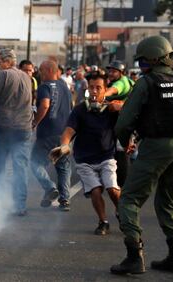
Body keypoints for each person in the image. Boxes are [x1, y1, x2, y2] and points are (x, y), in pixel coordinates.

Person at [110, 36, 173, 275]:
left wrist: (126, 144)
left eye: (143, 61)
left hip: (156, 148)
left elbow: (123, 123)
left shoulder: (147, 82)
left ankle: (134, 256)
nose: (142, 65)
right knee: (166, 200)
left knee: (129, 200)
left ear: (153, 59)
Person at [53, 71, 121, 235]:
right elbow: (68, 132)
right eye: (91, 88)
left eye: (99, 87)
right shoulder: (80, 110)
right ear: (87, 89)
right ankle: (103, 221)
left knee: (112, 188)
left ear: (105, 90)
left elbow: (134, 109)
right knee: (96, 190)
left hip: (106, 157)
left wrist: (121, 106)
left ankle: (124, 213)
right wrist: (63, 146)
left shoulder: (112, 109)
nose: (95, 91)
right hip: (85, 160)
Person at [0, 49, 33, 216]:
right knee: (20, 167)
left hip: (4, 126)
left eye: (0, 61)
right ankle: (19, 205)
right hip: (23, 127)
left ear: (7, 61)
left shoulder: (2, 75)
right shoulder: (26, 77)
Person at [30, 60, 72, 211]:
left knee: (35, 162)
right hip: (64, 134)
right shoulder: (65, 87)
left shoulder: (44, 87)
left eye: (41, 71)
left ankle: (49, 188)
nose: (39, 74)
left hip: (47, 134)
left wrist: (35, 122)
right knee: (63, 167)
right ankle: (65, 200)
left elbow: (45, 104)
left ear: (48, 70)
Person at [105, 60, 135, 188]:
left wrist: (103, 95)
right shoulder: (130, 81)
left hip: (121, 122)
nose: (110, 73)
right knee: (122, 150)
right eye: (109, 70)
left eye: (114, 71)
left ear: (121, 72)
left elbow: (113, 90)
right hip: (128, 120)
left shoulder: (121, 83)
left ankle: (122, 183)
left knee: (121, 152)